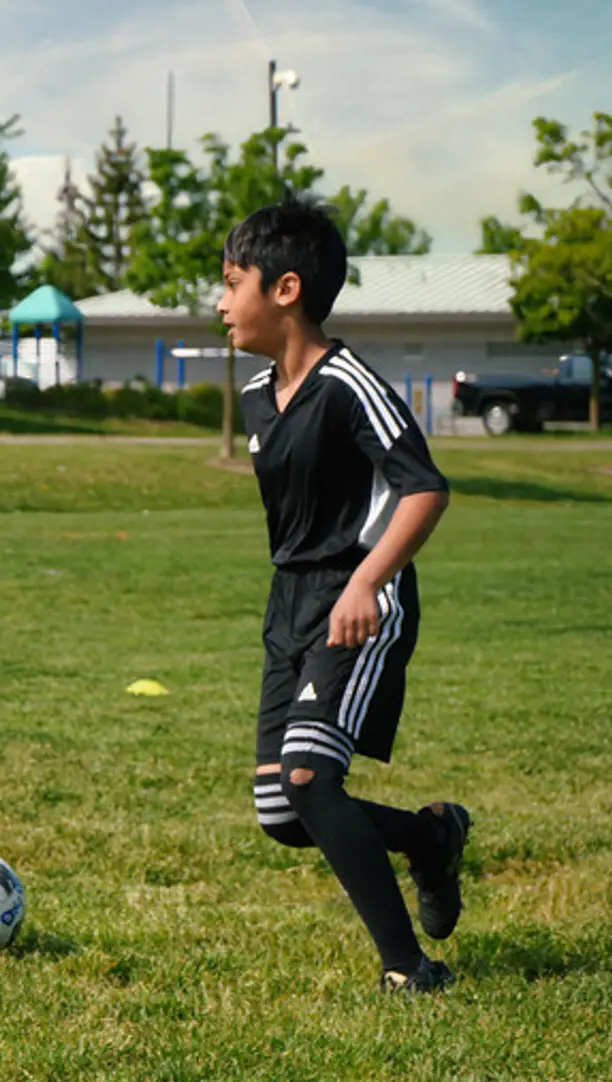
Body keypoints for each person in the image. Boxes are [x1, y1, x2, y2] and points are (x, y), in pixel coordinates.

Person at [220, 193, 471, 994]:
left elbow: (424, 489)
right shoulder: (259, 396)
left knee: (308, 782)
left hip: (359, 600)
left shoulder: (349, 382)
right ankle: (430, 839)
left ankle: (410, 969)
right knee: (282, 816)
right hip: (288, 607)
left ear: (285, 289)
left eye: (232, 282)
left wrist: (368, 580)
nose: (221, 302)